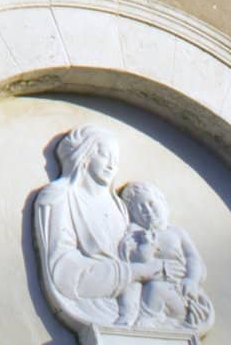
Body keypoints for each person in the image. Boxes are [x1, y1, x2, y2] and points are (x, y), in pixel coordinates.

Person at [34, 125, 165, 332]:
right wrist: (134, 272)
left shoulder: (119, 206)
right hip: (94, 304)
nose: (113, 164)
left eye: (116, 157)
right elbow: (63, 271)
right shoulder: (58, 197)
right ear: (83, 155)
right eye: (104, 155)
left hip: (135, 302)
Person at [117, 181, 214, 331]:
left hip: (180, 293)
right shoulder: (136, 236)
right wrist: (146, 246)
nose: (147, 211)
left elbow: (193, 258)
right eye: (140, 207)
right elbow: (141, 265)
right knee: (136, 287)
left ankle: (148, 320)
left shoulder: (176, 233)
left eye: (151, 204)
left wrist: (192, 280)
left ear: (162, 203)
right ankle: (131, 318)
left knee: (156, 287)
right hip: (150, 290)